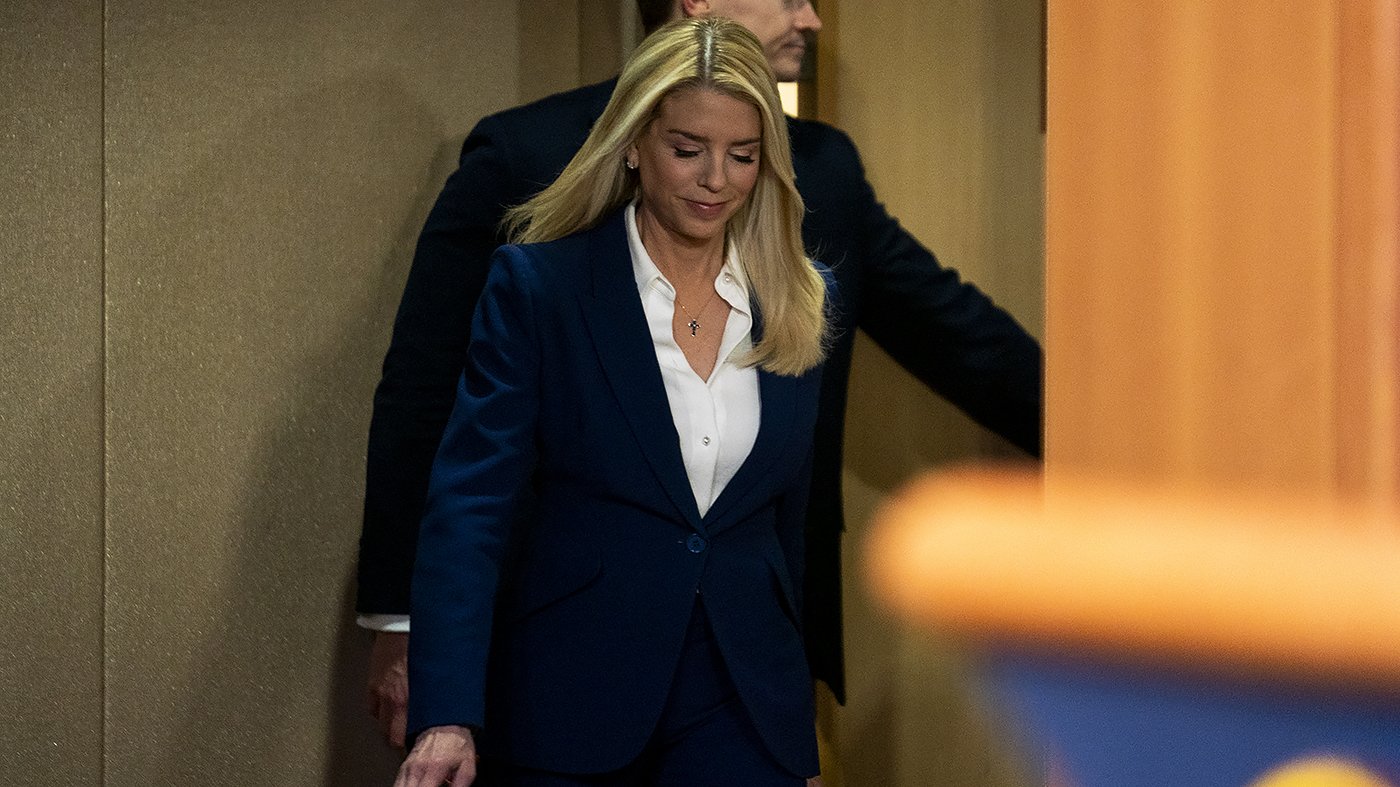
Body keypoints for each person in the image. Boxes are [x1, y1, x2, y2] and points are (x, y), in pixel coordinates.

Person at [359, 0, 1043, 750]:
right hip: (570, 668)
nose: (811, 19)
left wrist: (1104, 431)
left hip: (749, 672)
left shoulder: (825, 171)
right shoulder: (524, 152)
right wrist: (410, 628)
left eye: (744, 155)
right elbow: (431, 394)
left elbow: (951, 328)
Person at [394, 18, 830, 785]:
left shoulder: (799, 300)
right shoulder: (541, 288)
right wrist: (446, 710)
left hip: (741, 702)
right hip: (571, 696)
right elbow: (471, 508)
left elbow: (788, 521)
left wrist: (794, 724)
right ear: (632, 143)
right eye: (688, 149)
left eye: (743, 155)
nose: (716, 179)